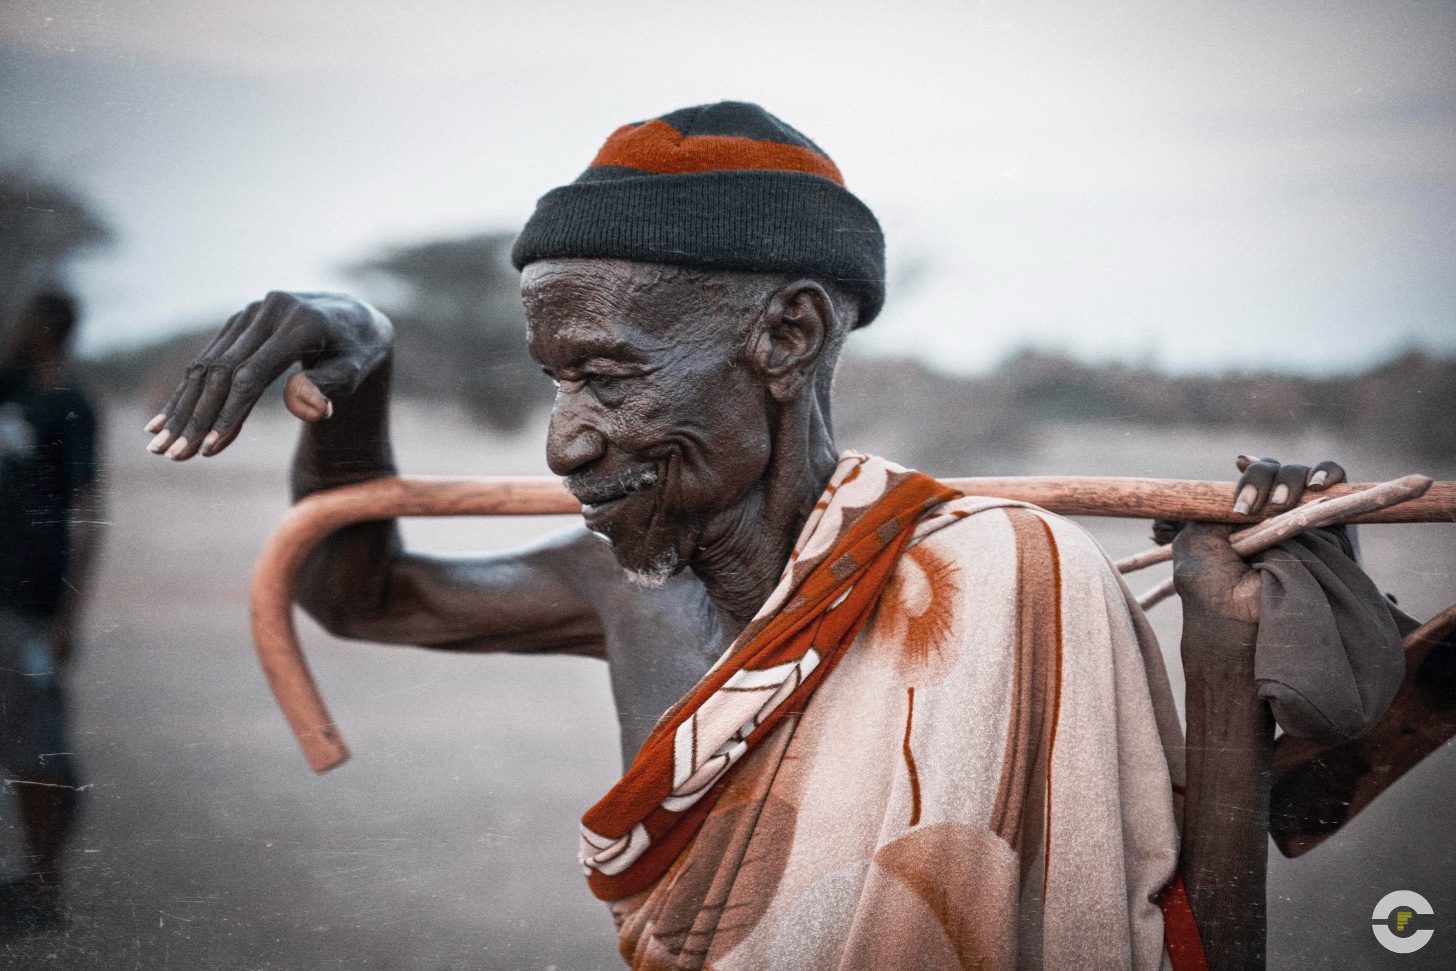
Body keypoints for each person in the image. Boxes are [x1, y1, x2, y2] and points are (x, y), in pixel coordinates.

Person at [146, 103, 1407, 970]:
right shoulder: (619, 576)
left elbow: (1156, 905)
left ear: (788, 337)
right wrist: (359, 359)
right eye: (554, 384)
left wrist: (1230, 626)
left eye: (608, 376)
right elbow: (363, 595)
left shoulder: (1009, 573)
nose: (565, 442)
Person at [0, 290, 101, 927]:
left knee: (38, 748)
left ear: (52, 329)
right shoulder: (4, 387)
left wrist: (70, 614)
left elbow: (90, 512)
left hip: (29, 606)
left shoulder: (69, 406)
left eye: (28, 321)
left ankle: (42, 885)